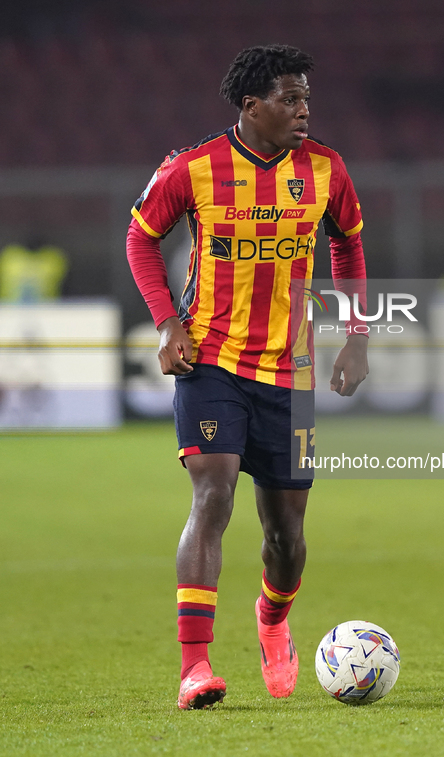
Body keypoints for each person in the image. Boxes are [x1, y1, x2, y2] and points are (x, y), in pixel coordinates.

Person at [126, 44, 368, 710]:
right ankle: (195, 667)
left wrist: (355, 334)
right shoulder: (193, 168)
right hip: (213, 362)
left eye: (307, 99)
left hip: (289, 369)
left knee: (284, 536)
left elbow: (346, 243)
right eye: (290, 99)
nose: (303, 111)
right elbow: (140, 237)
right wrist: (167, 324)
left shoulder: (325, 169)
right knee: (213, 495)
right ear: (250, 105)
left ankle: (271, 619)